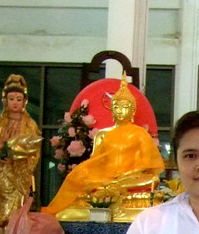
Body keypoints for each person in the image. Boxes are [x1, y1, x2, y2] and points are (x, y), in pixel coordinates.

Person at [42, 74, 165, 218]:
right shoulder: (103, 134)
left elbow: (146, 168)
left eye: (124, 107)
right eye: (116, 107)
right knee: (80, 180)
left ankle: (107, 196)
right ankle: (102, 196)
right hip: (105, 179)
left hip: (129, 179)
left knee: (152, 180)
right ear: (112, 110)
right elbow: (95, 163)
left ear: (132, 111)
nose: (120, 111)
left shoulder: (140, 134)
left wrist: (122, 179)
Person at [0, 74, 42, 228]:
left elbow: (34, 152)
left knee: (15, 216)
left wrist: (17, 158)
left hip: (18, 177)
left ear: (24, 102)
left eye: (19, 99)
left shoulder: (30, 125)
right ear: (5, 100)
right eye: (11, 99)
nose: (15, 102)